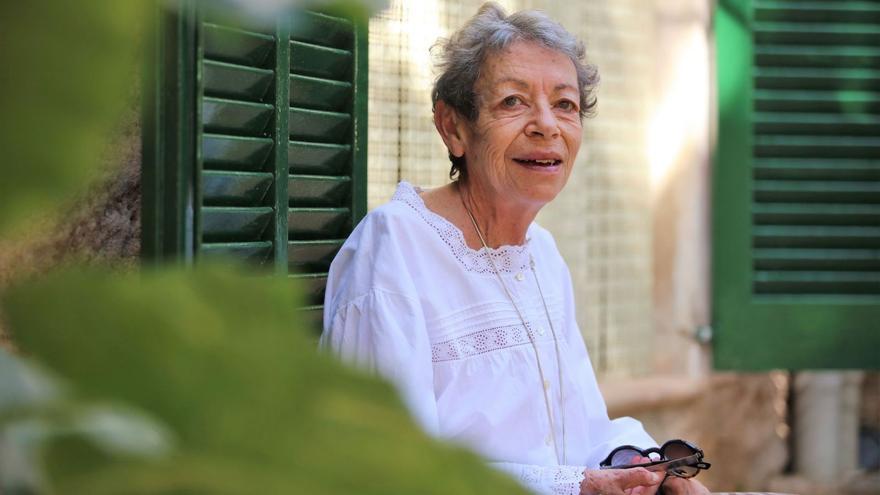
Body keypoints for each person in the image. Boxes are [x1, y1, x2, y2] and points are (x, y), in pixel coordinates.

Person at [321, 3, 710, 495]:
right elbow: (391, 464)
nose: (547, 125)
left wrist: (644, 470)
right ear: (453, 128)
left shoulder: (540, 255)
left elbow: (584, 429)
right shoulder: (395, 249)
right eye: (513, 102)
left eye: (565, 104)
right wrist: (575, 486)